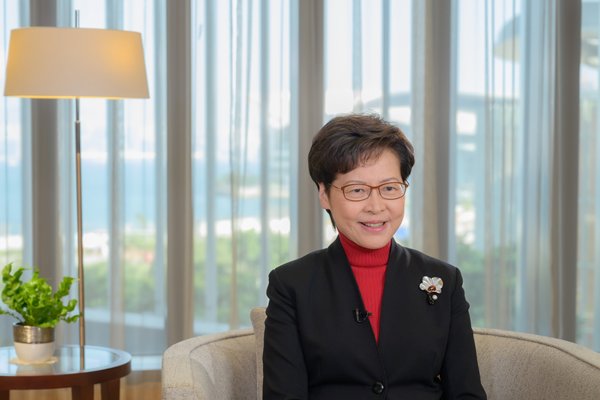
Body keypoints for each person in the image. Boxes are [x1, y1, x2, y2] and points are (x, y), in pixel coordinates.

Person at [262, 113, 487, 400]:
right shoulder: (290, 284)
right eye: (357, 190)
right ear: (324, 194)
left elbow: (467, 394)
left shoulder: (445, 280)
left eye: (390, 188)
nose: (376, 206)